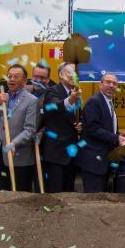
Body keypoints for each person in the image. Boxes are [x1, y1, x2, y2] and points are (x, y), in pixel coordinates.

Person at [0, 64, 39, 191]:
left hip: (20, 159)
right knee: (0, 196)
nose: (11, 79)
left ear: (25, 80)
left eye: (16, 77)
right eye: (9, 76)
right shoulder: (1, 97)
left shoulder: (31, 100)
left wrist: (14, 144)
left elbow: (30, 130)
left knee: (21, 198)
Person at [78, 73, 125, 193]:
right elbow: (92, 128)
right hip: (93, 161)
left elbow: (106, 128)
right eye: (108, 82)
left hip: (102, 161)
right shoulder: (94, 102)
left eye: (114, 83)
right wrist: (116, 138)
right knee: (93, 200)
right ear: (101, 85)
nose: (111, 85)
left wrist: (120, 135)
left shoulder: (108, 102)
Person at [38, 63, 81, 193]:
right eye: (70, 72)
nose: (74, 75)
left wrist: (80, 125)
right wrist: (70, 100)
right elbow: (52, 107)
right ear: (61, 75)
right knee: (55, 194)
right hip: (56, 154)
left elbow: (78, 117)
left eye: (76, 73)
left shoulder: (76, 95)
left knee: (68, 194)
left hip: (71, 154)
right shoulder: (52, 91)